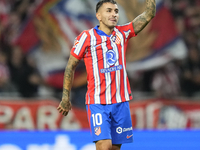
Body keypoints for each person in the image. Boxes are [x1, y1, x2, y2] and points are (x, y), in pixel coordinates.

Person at [57, 0, 156, 149]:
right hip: (98, 103)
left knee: (115, 148)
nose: (113, 14)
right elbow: (70, 66)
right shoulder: (86, 37)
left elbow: (149, 14)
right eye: (108, 11)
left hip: (121, 103)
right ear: (98, 15)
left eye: (116, 11)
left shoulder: (123, 33)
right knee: (105, 146)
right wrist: (65, 97)